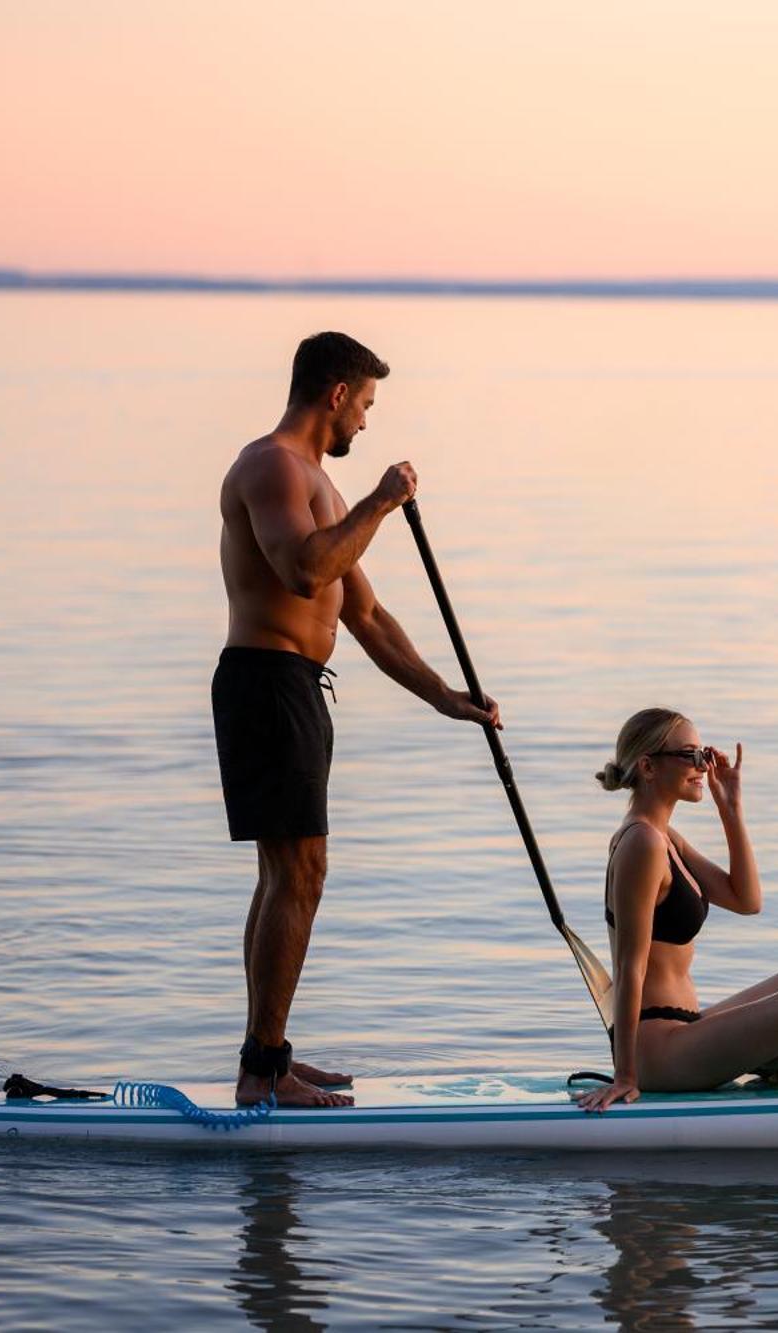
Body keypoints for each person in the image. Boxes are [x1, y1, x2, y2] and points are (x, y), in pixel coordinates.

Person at [214, 331, 500, 1108]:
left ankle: (266, 1055)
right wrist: (381, 499)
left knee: (287, 874)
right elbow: (303, 570)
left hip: (300, 686)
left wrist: (446, 697)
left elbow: (366, 616)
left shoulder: (319, 486)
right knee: (298, 872)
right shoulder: (272, 465)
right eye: (366, 404)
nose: (366, 423)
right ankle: (262, 1069)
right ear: (336, 393)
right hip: (265, 682)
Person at [575, 708, 778, 1113]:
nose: (703, 766)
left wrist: (731, 807)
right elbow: (628, 966)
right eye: (692, 755)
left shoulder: (665, 837)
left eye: (705, 754)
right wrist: (626, 1076)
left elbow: (746, 900)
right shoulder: (643, 843)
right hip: (657, 1052)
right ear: (648, 766)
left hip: (687, 1029)